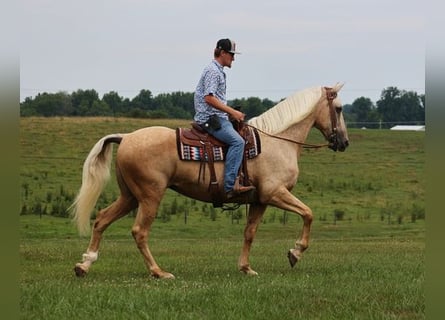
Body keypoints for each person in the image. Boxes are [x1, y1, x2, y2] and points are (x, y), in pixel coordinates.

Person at [194, 38, 256, 199]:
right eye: (231, 54)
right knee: (238, 142)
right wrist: (232, 112)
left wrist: (229, 113)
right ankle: (230, 187)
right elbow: (209, 98)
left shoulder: (217, 70)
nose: (233, 58)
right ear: (222, 53)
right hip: (211, 119)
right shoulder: (213, 72)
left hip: (216, 116)